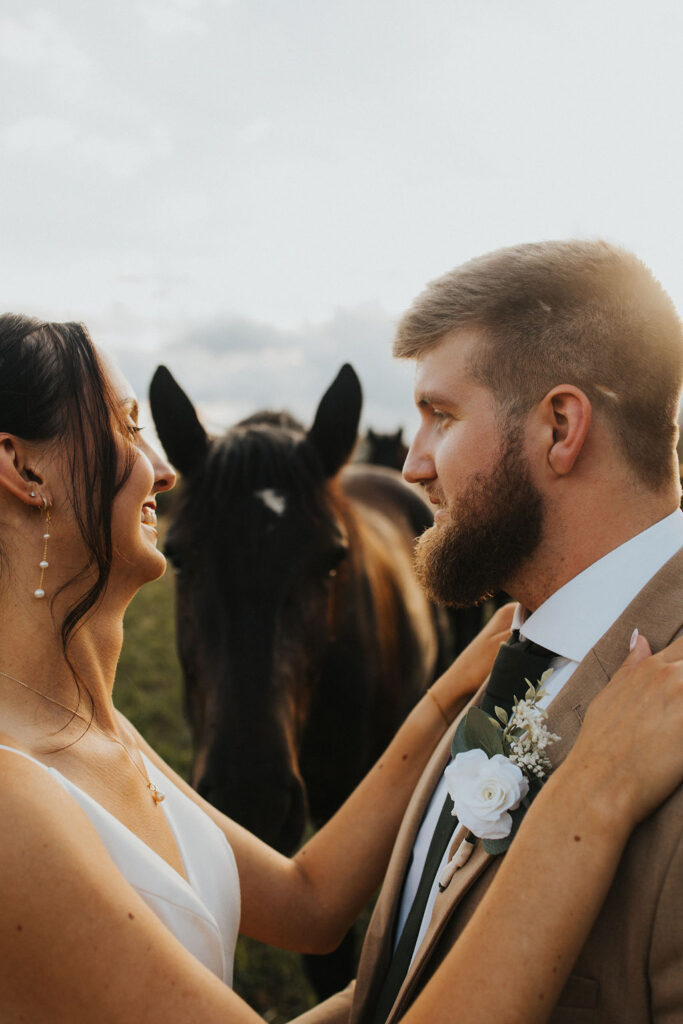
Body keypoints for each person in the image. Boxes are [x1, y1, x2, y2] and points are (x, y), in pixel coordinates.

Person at [0, 308, 681, 1024]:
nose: (165, 471)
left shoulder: (91, 728)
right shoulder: (12, 798)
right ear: (21, 467)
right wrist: (593, 793)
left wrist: (461, 687)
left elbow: (308, 904)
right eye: (127, 426)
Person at [298, 239, 683, 1024]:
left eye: (440, 416)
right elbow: (397, 985)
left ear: (559, 427)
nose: (411, 465)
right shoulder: (507, 647)